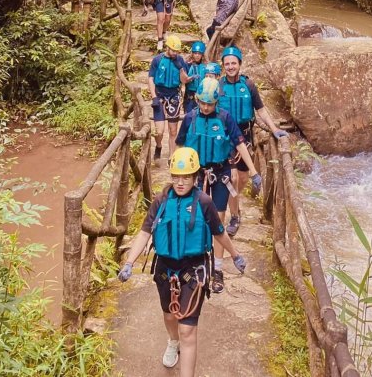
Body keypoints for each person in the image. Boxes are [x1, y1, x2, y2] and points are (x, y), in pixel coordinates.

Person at [117, 147, 246, 376]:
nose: (180, 182)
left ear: (195, 177)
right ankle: (172, 341)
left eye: (185, 177)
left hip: (194, 270)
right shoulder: (161, 200)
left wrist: (235, 255)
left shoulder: (204, 202)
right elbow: (145, 233)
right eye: (176, 177)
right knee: (169, 316)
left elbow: (218, 233)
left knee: (188, 330)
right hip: (165, 268)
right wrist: (129, 263)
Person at [176, 76, 261, 294]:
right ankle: (190, 261)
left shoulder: (225, 118)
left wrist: (252, 172)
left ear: (216, 102)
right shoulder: (190, 118)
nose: (205, 107)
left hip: (220, 172)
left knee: (218, 220)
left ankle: (218, 268)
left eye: (209, 103)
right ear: (197, 100)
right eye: (202, 103)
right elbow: (180, 145)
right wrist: (176, 174)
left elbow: (240, 144)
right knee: (190, 216)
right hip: (196, 174)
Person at [218, 45, 287, 238]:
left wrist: (274, 129)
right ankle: (234, 216)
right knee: (231, 178)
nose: (230, 66)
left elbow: (261, 110)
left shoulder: (249, 86)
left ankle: (232, 196)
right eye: (227, 63)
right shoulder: (219, 86)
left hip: (245, 136)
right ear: (223, 65)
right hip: (225, 139)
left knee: (242, 179)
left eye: (234, 63)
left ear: (239, 64)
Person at [148, 34, 190, 159]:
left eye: (177, 51)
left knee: (173, 130)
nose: (175, 53)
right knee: (159, 131)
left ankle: (172, 157)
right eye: (173, 50)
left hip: (174, 95)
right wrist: (154, 96)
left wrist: (181, 68)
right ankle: (159, 145)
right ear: (167, 48)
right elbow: (151, 79)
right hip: (160, 95)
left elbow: (184, 80)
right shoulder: (157, 60)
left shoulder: (180, 60)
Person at [183, 41, 207, 112]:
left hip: (202, 96)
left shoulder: (205, 67)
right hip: (189, 96)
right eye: (195, 53)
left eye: (199, 53)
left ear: (202, 55)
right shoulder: (187, 65)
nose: (197, 55)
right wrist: (191, 78)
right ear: (192, 54)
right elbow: (183, 79)